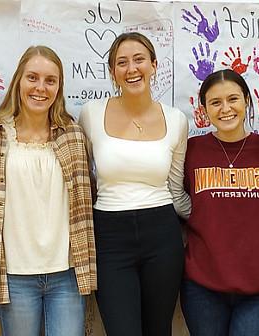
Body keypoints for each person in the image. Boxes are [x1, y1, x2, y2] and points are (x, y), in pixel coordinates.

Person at [0, 45, 97, 336]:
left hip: (66, 274)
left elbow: (87, 199)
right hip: (14, 276)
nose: (40, 88)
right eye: (32, 77)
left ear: (59, 87)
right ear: (19, 80)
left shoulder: (73, 135)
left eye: (50, 80)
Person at [79, 32, 188, 336]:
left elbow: (176, 190)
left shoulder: (177, 120)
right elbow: (84, 179)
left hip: (162, 233)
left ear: (154, 65)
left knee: (159, 330)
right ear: (113, 72)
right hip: (110, 236)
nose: (131, 69)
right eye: (121, 63)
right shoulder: (90, 114)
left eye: (139, 59)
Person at [179, 69, 259, 336]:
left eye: (233, 99)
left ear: (247, 101)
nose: (225, 109)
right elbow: (174, 197)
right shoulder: (191, 151)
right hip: (203, 287)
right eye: (215, 102)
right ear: (204, 109)